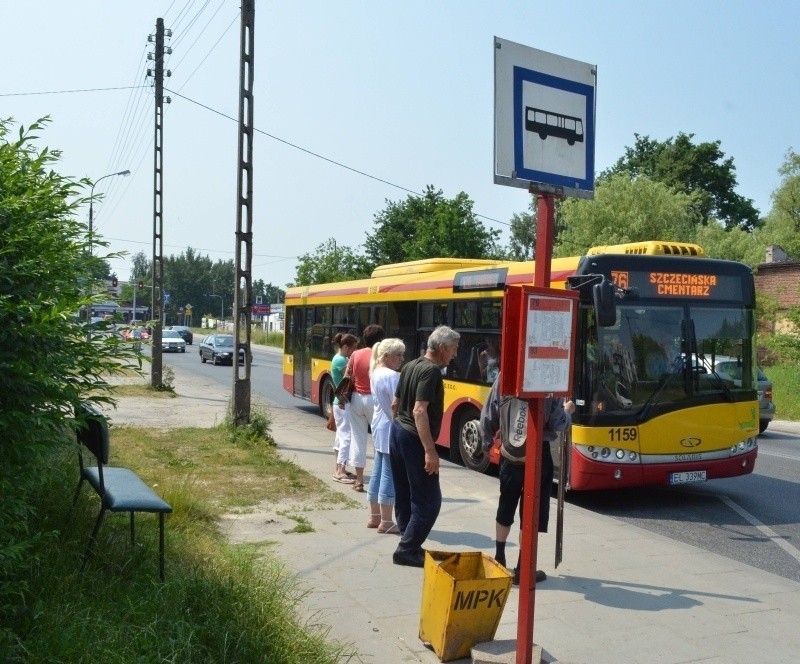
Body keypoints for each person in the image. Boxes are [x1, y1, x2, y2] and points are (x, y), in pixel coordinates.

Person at [480, 374, 574, 585]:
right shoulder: (549, 378)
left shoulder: (506, 374)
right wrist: (568, 412)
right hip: (538, 454)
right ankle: (524, 567)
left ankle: (500, 557)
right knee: (530, 510)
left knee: (506, 504)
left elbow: (490, 410)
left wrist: (487, 442)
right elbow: (557, 422)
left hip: (510, 452)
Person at [389, 325, 460, 567]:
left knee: (405, 493)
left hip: (398, 431)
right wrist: (430, 451)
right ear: (441, 348)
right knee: (429, 500)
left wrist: (399, 429)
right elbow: (419, 410)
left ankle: (409, 541)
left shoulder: (410, 365)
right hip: (413, 437)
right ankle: (407, 549)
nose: (455, 354)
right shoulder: (430, 372)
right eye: (453, 349)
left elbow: (395, 404)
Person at [367, 338, 406, 532]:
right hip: (390, 425)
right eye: (398, 355)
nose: (402, 358)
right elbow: (395, 404)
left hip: (379, 425)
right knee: (389, 473)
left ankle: (375, 516)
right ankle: (387, 520)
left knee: (378, 470)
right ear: (386, 356)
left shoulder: (375, 372)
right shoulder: (392, 376)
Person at [345, 324, 386, 492]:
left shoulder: (355, 354)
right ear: (381, 340)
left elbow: (348, 375)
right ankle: (378, 481)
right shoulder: (379, 357)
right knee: (379, 441)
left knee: (358, 438)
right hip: (373, 400)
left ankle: (359, 481)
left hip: (356, 398)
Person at [331, 333, 359, 484]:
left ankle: (339, 468)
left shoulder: (339, 358)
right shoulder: (341, 360)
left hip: (339, 402)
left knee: (340, 436)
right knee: (346, 437)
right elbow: (350, 379)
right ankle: (340, 471)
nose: (354, 350)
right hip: (343, 402)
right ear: (346, 346)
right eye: (353, 347)